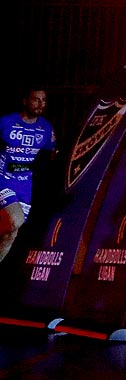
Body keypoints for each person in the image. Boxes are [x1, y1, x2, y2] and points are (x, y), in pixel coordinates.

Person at [0, 89, 54, 267]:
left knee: (11, 234)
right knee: (16, 219)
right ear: (25, 101)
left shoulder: (45, 128)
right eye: (35, 100)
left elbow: (51, 153)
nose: (40, 104)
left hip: (24, 185)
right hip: (3, 179)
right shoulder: (6, 122)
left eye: (43, 100)